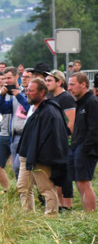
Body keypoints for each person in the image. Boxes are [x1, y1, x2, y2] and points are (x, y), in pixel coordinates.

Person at [16, 77, 69, 216]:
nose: (27, 93)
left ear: (42, 92)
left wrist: (42, 157)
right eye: (27, 90)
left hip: (40, 157)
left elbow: (53, 138)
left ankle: (52, 216)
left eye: (31, 91)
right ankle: (28, 215)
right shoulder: (33, 108)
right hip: (27, 154)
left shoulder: (50, 111)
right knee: (23, 187)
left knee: (45, 188)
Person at [0, 68, 27, 190]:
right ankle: (10, 191)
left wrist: (19, 95)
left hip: (21, 134)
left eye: (8, 78)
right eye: (4, 78)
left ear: (16, 77)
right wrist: (1, 96)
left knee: (19, 167)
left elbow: (29, 109)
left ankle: (27, 192)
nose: (6, 81)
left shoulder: (23, 92)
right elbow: (2, 110)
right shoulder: (2, 92)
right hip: (6, 133)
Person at [46, 69, 76, 210]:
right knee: (56, 174)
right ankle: (59, 204)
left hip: (64, 143)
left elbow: (72, 121)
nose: (47, 83)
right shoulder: (52, 98)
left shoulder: (66, 98)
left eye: (50, 81)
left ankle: (67, 206)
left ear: (60, 82)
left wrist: (63, 138)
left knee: (65, 174)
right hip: (54, 142)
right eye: (46, 81)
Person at [68, 72, 98, 213]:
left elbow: (95, 129)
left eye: (72, 84)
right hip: (76, 146)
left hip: (86, 148)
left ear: (84, 84)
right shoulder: (80, 102)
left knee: (84, 183)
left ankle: (91, 217)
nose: (69, 88)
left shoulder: (92, 102)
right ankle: (87, 214)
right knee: (79, 183)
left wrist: (84, 148)